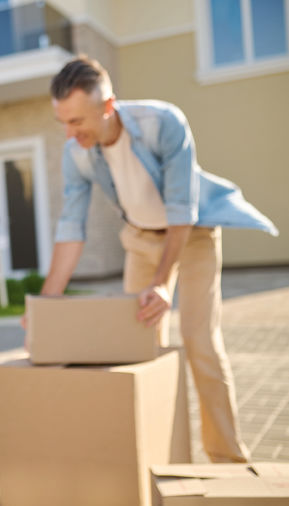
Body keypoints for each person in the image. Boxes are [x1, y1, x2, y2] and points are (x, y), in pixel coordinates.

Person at [42, 56, 278, 463]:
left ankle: (229, 461)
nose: (70, 132)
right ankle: (161, 459)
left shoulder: (162, 123)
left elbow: (181, 210)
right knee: (141, 346)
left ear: (108, 106)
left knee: (199, 340)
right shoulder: (76, 153)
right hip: (140, 240)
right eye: (63, 122)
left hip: (192, 236)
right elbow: (70, 227)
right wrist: (46, 304)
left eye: (78, 121)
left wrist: (161, 282)